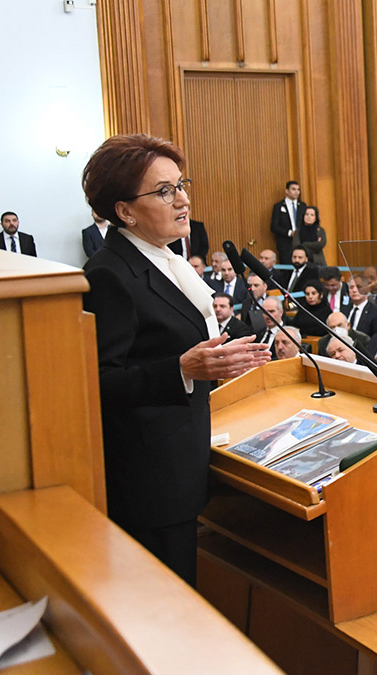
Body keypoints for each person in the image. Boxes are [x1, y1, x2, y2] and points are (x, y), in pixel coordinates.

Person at [80, 134, 270, 583]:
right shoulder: (108, 274)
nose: (182, 199)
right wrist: (181, 370)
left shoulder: (165, 259)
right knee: (163, 610)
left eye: (181, 184)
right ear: (124, 211)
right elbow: (96, 383)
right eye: (164, 191)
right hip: (148, 482)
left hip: (181, 462)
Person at [269, 180, 306, 264]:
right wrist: (290, 233)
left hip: (301, 242)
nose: (296, 192)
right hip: (285, 244)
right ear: (287, 191)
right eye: (293, 189)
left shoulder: (303, 206)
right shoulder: (278, 206)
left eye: (298, 189)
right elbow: (274, 227)